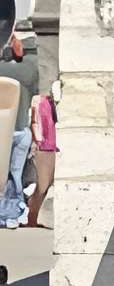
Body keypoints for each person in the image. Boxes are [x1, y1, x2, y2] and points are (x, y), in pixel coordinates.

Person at [26, 84, 54, 228]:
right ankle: (32, 218)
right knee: (42, 186)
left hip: (53, 147)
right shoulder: (39, 100)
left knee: (46, 185)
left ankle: (35, 217)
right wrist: (38, 141)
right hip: (44, 147)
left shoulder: (53, 103)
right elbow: (34, 123)